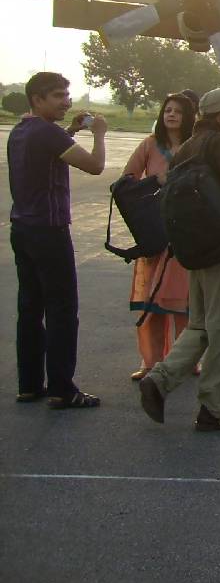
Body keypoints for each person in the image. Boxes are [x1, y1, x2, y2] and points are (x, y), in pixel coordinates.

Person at [139, 88, 220, 430]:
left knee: (201, 325)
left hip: (198, 250)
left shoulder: (187, 148)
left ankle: (159, 379)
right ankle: (214, 409)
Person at [8, 72, 108, 409]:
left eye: (66, 94)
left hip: (22, 227)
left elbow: (49, 152)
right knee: (62, 309)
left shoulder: (21, 130)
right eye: (57, 96)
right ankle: (62, 389)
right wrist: (99, 134)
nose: (66, 101)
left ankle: (29, 384)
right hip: (49, 230)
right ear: (37, 99)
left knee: (30, 307)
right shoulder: (47, 132)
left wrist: (71, 131)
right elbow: (95, 166)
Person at [121, 93, 196, 381]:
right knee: (152, 303)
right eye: (167, 110)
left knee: (184, 303)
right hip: (154, 232)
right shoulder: (150, 145)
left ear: (188, 117)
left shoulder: (195, 146)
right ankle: (151, 363)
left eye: (178, 111)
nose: (171, 115)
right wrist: (155, 181)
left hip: (185, 234)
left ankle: (185, 361)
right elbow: (126, 181)